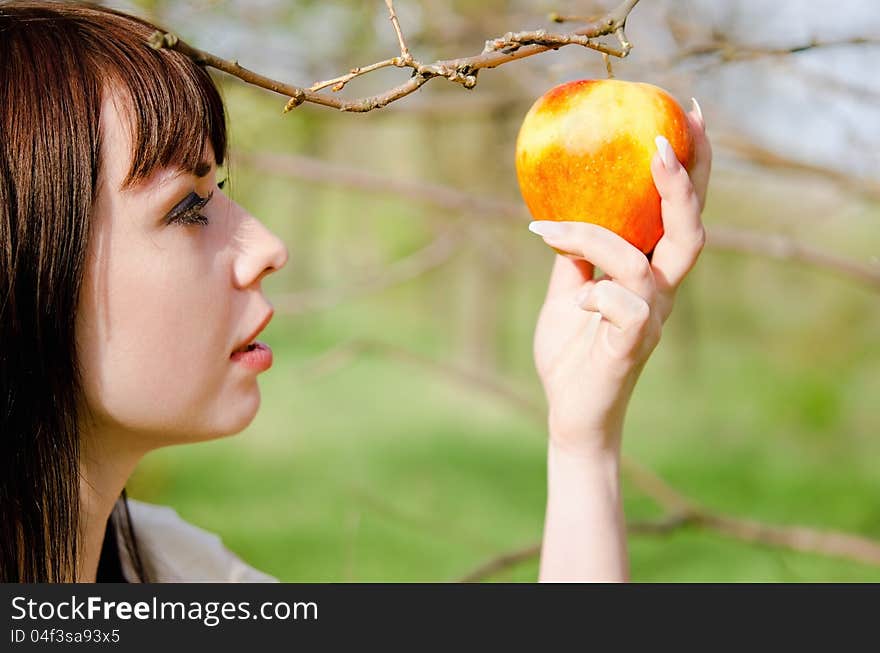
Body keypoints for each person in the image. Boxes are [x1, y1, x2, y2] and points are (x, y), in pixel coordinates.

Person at [0, 1, 711, 583]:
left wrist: (583, 440)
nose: (268, 247)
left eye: (220, 189)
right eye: (187, 206)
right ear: (22, 269)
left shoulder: (174, 571)